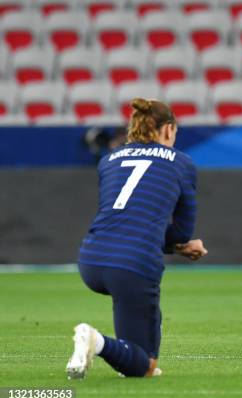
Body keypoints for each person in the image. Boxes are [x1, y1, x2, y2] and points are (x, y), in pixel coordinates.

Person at [66, 98, 208, 379]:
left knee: (133, 357)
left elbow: (118, 214)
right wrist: (182, 246)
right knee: (145, 366)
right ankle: (94, 339)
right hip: (133, 263)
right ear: (168, 130)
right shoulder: (182, 163)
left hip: (91, 259)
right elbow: (181, 232)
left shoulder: (108, 160)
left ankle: (107, 346)